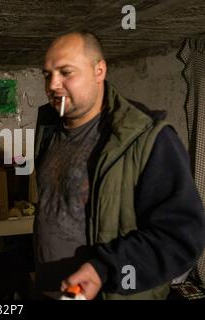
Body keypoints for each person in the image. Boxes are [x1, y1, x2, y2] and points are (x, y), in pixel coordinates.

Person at [33, 31, 205, 300]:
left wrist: (103, 269)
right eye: (47, 74)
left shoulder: (146, 138)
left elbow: (180, 238)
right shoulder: (49, 130)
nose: (53, 84)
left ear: (99, 70)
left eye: (66, 72)